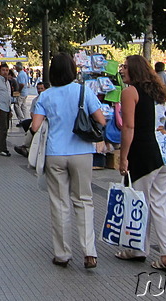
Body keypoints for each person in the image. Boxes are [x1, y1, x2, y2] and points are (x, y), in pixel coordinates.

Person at [30, 53, 104, 269]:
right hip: (82, 152)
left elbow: (35, 127)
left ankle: (62, 253)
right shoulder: (83, 91)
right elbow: (100, 119)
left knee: (59, 203)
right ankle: (89, 252)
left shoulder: (46, 96)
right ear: (73, 70)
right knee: (84, 201)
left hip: (55, 153)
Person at [117, 55, 166, 274]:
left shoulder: (130, 92)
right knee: (160, 205)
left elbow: (128, 127)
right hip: (164, 155)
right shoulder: (160, 92)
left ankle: (136, 249)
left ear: (134, 70)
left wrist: (123, 156)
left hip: (143, 153)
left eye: (125, 67)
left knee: (139, 203)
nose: (122, 70)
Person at [14, 81, 46, 157]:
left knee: (32, 128)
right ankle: (27, 147)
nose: (40, 90)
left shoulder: (48, 98)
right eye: (38, 89)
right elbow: (32, 112)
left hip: (45, 120)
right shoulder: (35, 100)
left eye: (42, 88)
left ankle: (25, 146)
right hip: (37, 119)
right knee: (26, 124)